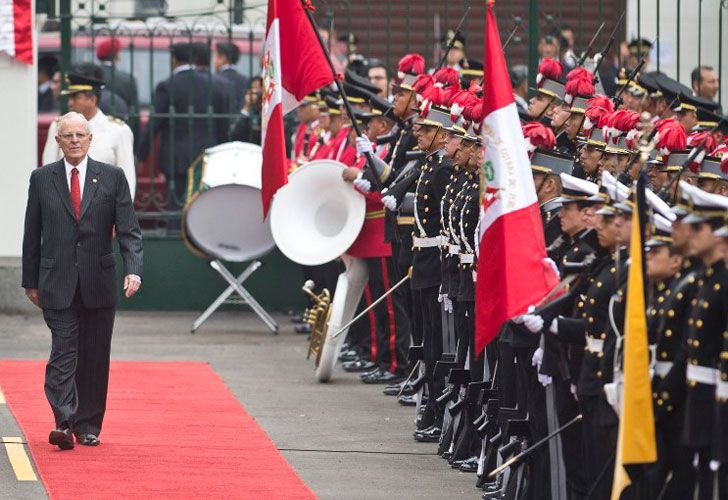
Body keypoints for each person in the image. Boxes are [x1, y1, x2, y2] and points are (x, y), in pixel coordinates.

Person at [22, 111, 143, 450]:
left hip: (98, 281)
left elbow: (130, 231)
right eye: (67, 135)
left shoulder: (112, 177)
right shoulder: (42, 178)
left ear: (91, 139)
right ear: (58, 142)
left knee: (93, 356)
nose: (74, 140)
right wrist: (30, 280)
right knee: (64, 351)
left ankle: (88, 424)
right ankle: (63, 421)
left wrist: (134, 268)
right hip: (56, 282)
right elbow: (32, 233)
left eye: (80, 134)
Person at [138, 42, 230, 214]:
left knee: (176, 208)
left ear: (174, 60)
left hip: (176, 157)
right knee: (203, 206)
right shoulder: (215, 85)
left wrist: (141, 154)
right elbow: (222, 124)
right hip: (207, 155)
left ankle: (176, 236)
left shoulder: (167, 85)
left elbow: (154, 124)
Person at [42, 67, 136, 200]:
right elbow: (48, 172)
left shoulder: (118, 131)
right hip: (65, 209)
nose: (70, 103)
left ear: (92, 99)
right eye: (69, 97)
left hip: (104, 211)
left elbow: (127, 179)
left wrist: (121, 216)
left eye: (75, 97)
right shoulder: (58, 127)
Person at [96, 38, 139, 115]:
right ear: (117, 55)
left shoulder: (91, 76)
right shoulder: (127, 79)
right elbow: (134, 112)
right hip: (120, 122)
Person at [215, 41, 250, 113]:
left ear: (223, 58)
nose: (214, 61)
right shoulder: (245, 80)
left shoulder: (215, 79)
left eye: (216, 57)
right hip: (242, 120)